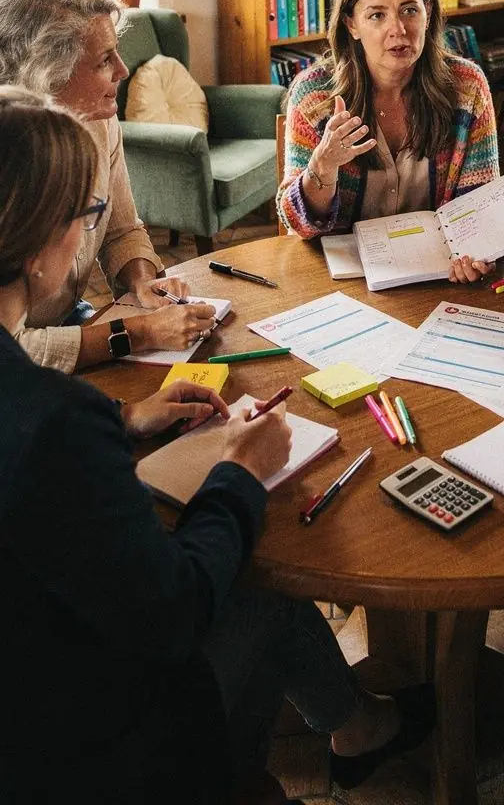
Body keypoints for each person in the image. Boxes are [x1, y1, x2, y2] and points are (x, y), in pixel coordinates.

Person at [0, 87, 434, 804]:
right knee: (257, 571)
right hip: (86, 745)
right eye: (83, 216)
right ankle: (251, 770)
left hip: (32, 683)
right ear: (42, 245)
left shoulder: (55, 415)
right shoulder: (55, 420)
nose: (86, 235)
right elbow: (176, 608)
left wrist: (125, 421)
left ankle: (354, 725)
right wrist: (239, 472)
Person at [0, 0, 215, 371]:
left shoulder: (99, 122)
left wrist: (142, 281)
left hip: (73, 322)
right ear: (50, 75)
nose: (123, 69)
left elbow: (121, 229)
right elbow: (12, 352)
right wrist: (142, 332)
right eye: (104, 60)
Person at [278, 0, 500, 284]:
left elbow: (479, 202)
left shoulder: (467, 88)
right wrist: (322, 168)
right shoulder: (314, 96)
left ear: (428, 12)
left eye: (409, 10)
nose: (398, 29)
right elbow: (298, 224)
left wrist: (476, 249)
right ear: (351, 23)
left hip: (439, 277)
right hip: (341, 281)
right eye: (377, 15)